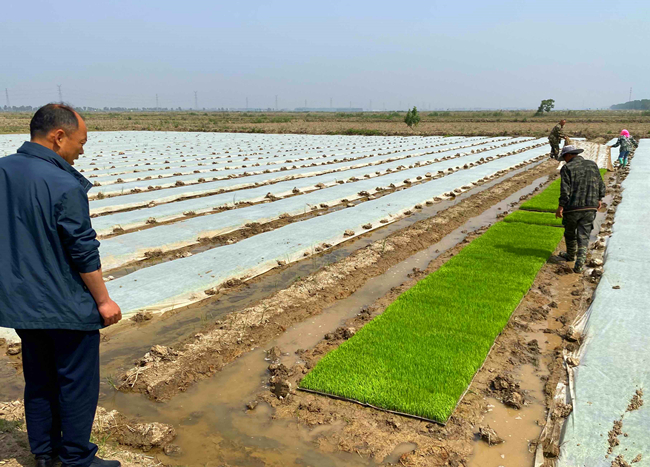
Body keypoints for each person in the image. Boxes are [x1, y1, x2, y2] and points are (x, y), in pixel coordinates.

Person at [0, 104, 122, 467]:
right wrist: (104, 301)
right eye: (80, 142)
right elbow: (82, 249)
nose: (81, 150)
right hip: (65, 304)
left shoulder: (3, 171)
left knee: (39, 378)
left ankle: (44, 453)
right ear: (58, 136)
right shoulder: (63, 182)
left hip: (22, 303)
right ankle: (76, 458)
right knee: (76, 383)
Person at [555, 145, 606, 273]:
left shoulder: (567, 168)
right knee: (584, 235)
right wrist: (599, 198)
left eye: (564, 158)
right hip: (590, 206)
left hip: (573, 207)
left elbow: (565, 190)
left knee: (570, 232)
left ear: (568, 155)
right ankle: (579, 264)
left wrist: (561, 206)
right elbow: (600, 183)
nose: (564, 160)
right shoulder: (592, 165)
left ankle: (571, 255)